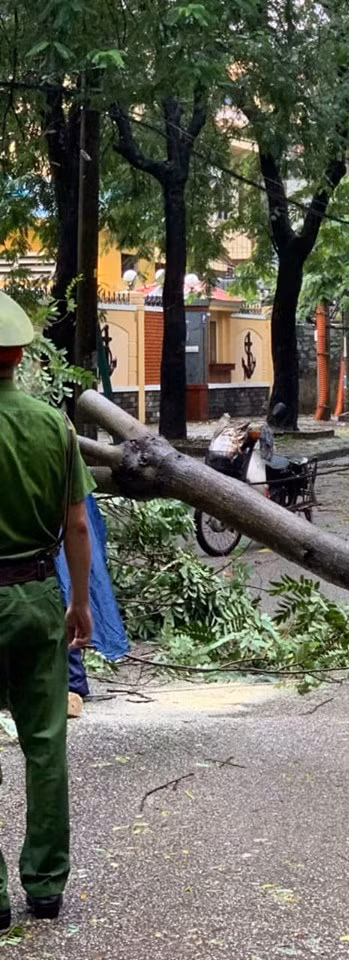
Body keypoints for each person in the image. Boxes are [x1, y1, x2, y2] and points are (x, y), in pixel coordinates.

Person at [0, 291, 95, 927]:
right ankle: (45, 886)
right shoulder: (51, 425)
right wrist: (81, 605)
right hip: (37, 594)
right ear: (20, 355)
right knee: (44, 743)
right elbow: (78, 526)